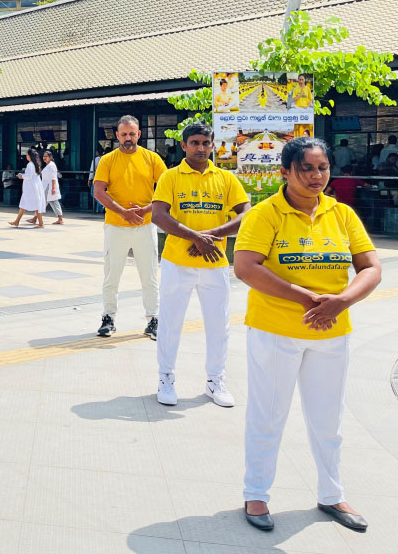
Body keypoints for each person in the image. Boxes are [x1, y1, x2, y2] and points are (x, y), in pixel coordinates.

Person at [234, 137, 380, 533]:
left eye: (322, 168)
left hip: (332, 333)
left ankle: (332, 494)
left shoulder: (342, 214)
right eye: (306, 169)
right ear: (285, 171)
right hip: (276, 331)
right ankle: (257, 493)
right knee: (268, 415)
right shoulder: (266, 214)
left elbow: (370, 267)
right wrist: (305, 297)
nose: (316, 176)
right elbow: (246, 267)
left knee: (328, 420)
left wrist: (342, 301)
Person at [150, 123, 250, 407]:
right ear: (183, 146)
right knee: (170, 323)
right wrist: (195, 237)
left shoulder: (226, 179)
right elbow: (159, 215)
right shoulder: (171, 177)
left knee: (219, 324)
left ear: (213, 145)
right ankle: (166, 377)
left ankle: (215, 380)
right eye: (194, 142)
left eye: (206, 142)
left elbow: (246, 213)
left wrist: (211, 237)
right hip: (176, 262)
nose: (200, 148)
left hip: (215, 263)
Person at [93, 116, 166, 340]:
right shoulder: (107, 160)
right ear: (117, 136)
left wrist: (144, 210)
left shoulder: (152, 159)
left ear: (139, 134)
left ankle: (153, 319)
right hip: (116, 226)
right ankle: (109, 318)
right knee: (112, 275)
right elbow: (99, 191)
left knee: (150, 274)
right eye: (124, 134)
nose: (128, 138)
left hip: (145, 226)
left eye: (132, 134)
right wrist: (123, 212)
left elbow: (166, 189)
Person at [8, 149, 44, 227]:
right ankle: (17, 221)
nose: (26, 156)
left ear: (30, 156)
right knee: (24, 204)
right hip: (33, 188)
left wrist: (21, 176)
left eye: (27, 155)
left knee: (31, 205)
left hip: (30, 189)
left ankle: (41, 223)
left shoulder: (30, 164)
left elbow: (29, 176)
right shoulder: (36, 164)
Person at [36, 149, 63, 225]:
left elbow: (53, 177)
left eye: (46, 156)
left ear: (50, 157)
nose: (44, 157)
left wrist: (53, 188)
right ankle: (60, 218)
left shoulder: (51, 165)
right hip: (47, 186)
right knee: (52, 201)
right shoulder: (48, 165)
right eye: (44, 156)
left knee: (43, 202)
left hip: (49, 186)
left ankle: (35, 218)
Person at [88, 146, 105, 214]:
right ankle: (99, 209)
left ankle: (102, 205)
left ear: (97, 152)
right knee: (100, 193)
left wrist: (89, 179)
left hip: (96, 178)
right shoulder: (105, 159)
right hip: (104, 179)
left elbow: (92, 170)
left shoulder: (95, 160)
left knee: (94, 194)